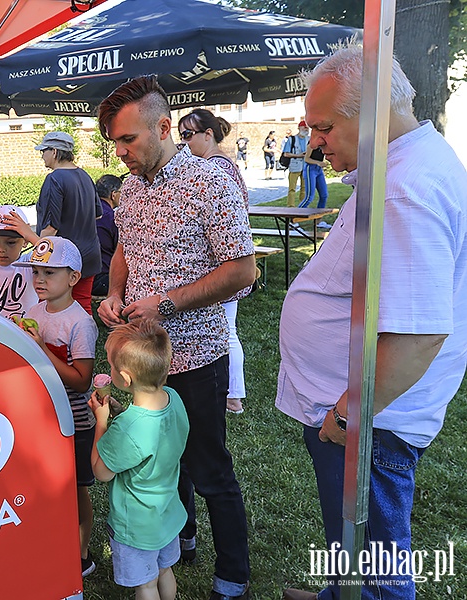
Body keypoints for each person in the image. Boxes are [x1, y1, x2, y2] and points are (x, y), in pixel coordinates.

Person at [277, 42, 467, 600]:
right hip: (364, 410)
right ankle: (339, 593)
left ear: (377, 112)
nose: (313, 142)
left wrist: (345, 416)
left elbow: (419, 333)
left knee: (377, 565)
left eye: (325, 127)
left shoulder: (404, 188)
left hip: (370, 420)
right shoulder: (404, 165)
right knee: (352, 545)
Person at [96, 75, 257, 600]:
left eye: (128, 140)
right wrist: (115, 291)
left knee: (208, 466)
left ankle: (232, 575)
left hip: (195, 355)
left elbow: (243, 271)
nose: (120, 153)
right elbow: (125, 248)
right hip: (144, 357)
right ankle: (178, 538)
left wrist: (166, 303)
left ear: (164, 127)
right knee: (161, 460)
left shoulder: (211, 181)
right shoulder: (133, 189)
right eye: (115, 143)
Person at [14, 236, 99, 577]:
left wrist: (41, 349)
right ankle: (51, 539)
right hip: (42, 415)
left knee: (76, 489)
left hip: (75, 421)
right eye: (35, 271)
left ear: (74, 278)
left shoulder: (80, 323)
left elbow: (81, 380)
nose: (39, 280)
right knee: (49, 484)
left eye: (49, 273)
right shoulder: (35, 312)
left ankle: (82, 555)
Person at [89, 319, 189, 600]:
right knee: (165, 571)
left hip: (136, 525)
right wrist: (119, 415)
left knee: (145, 585)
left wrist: (101, 423)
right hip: (167, 514)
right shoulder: (173, 398)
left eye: (111, 367)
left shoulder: (128, 428)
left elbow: (101, 471)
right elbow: (145, 439)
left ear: (126, 378)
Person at [176, 108, 250, 415]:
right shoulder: (221, 164)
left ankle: (233, 395)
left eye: (188, 135)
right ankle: (233, 393)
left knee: (226, 330)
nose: (183, 142)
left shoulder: (215, 167)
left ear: (209, 134)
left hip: (222, 264)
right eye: (181, 136)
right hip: (223, 261)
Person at [34, 131, 102, 315]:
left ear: (54, 152)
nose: (42, 156)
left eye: (44, 151)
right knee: (82, 307)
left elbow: (50, 228)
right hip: (89, 254)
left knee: (53, 310)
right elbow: (97, 215)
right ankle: (85, 343)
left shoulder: (54, 179)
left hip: (62, 259)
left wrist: (37, 257)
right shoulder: (85, 176)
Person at [92, 174, 122, 297]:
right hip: (104, 278)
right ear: (113, 194)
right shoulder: (112, 218)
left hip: (84, 275)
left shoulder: (87, 210)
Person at [282, 121, 310, 206]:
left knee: (304, 188)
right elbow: (286, 153)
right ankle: (291, 206)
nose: (306, 129)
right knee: (292, 188)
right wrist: (298, 155)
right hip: (294, 166)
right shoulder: (292, 139)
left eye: (307, 128)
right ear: (299, 128)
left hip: (305, 166)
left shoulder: (309, 139)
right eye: (304, 127)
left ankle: (303, 206)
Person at [299, 145, 329, 212]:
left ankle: (318, 220)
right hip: (310, 169)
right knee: (309, 197)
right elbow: (306, 159)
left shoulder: (324, 145)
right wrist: (318, 163)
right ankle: (294, 218)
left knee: (324, 195)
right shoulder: (312, 145)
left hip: (319, 170)